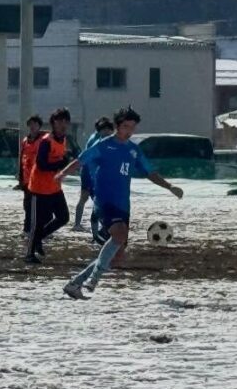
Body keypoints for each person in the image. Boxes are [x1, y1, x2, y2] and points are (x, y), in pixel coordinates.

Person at [56, 107, 182, 300]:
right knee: (119, 235)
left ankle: (75, 284)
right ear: (117, 126)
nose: (129, 131)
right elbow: (80, 160)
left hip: (123, 204)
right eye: (125, 126)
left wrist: (169, 186)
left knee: (117, 256)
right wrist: (63, 173)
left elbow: (150, 172)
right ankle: (93, 280)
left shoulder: (133, 149)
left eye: (132, 127)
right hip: (105, 201)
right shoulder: (103, 145)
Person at [26, 108, 73, 263]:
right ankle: (29, 254)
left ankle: (39, 238)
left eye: (65, 121)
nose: (63, 124)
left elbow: (60, 159)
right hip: (39, 188)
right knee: (37, 222)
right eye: (59, 121)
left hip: (54, 187)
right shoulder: (46, 141)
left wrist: (65, 160)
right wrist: (61, 163)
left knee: (63, 217)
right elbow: (41, 164)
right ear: (53, 123)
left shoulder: (63, 139)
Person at [72, 116, 113, 236]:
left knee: (89, 200)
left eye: (108, 129)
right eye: (104, 129)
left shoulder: (99, 138)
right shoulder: (96, 140)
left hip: (92, 173)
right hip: (89, 174)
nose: (107, 132)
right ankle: (96, 230)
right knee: (92, 200)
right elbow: (89, 160)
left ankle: (82, 225)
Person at [18, 115, 43, 238]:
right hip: (27, 179)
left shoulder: (43, 141)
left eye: (35, 124)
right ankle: (27, 229)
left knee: (39, 206)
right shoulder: (24, 141)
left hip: (39, 179)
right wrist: (20, 178)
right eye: (31, 124)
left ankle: (39, 228)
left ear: (39, 126)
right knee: (27, 205)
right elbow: (21, 160)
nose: (32, 127)